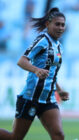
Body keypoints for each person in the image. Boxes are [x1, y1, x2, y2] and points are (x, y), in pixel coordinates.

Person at [0, 7, 69, 140]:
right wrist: (36, 70)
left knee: (59, 135)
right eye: (57, 24)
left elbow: (51, 73)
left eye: (62, 25)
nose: (60, 27)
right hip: (31, 97)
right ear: (47, 24)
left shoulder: (58, 45)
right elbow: (21, 61)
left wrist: (59, 90)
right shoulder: (42, 40)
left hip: (48, 99)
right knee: (15, 137)